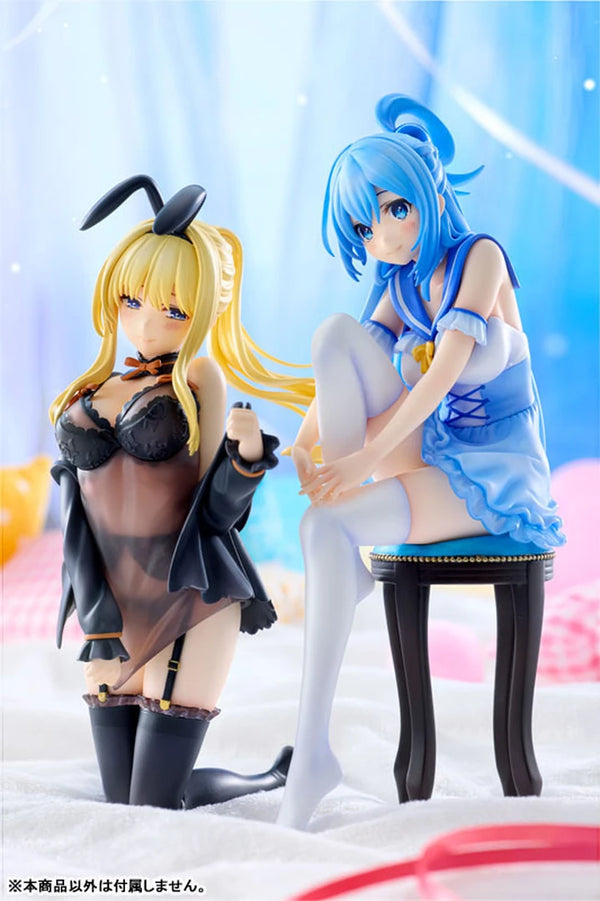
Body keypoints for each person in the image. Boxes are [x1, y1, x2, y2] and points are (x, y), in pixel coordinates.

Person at [276, 95, 565, 829]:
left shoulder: (479, 258)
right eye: (364, 227)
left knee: (325, 526)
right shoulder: (399, 282)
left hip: (495, 479)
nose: (382, 234)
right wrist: (302, 447)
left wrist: (368, 456)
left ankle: (345, 557)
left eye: (394, 209)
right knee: (334, 336)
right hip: (431, 460)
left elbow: (441, 376)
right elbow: (345, 363)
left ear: (429, 192)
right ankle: (312, 753)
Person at [50, 176, 309, 810]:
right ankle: (261, 778)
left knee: (151, 804)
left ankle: (268, 780)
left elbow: (217, 514)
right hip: (111, 610)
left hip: (187, 599)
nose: (146, 322)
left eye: (174, 310)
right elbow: (76, 520)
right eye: (132, 300)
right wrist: (90, 612)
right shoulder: (92, 389)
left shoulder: (199, 380)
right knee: (123, 802)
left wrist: (246, 458)